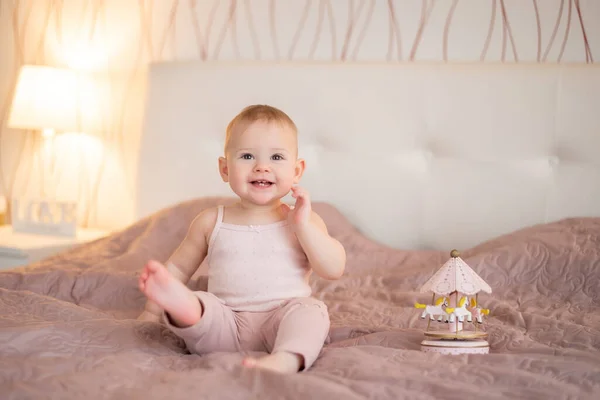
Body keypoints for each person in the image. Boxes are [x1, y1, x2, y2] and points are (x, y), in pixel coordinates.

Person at [137, 104, 346, 373]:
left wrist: (303, 227)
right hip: (226, 322)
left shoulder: (304, 220)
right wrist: (152, 312)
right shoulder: (211, 221)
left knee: (312, 312)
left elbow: (333, 269)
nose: (262, 167)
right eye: (247, 156)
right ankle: (184, 308)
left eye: (277, 158)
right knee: (203, 303)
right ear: (225, 169)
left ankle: (286, 358)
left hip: (282, 319)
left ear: (297, 171)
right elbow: (177, 268)